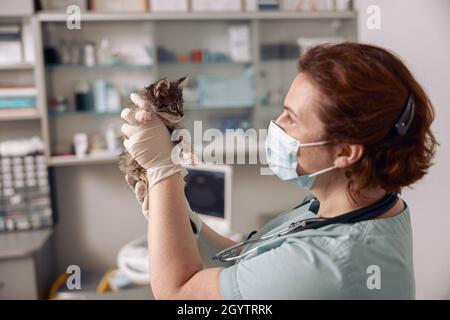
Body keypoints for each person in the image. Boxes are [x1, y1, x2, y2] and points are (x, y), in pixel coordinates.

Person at [120, 43, 437, 299]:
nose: (276, 125)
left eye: (291, 118)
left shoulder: (324, 265)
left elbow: (178, 294)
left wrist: (162, 171)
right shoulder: (362, 204)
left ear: (345, 152)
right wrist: (179, 217)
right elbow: (243, 260)